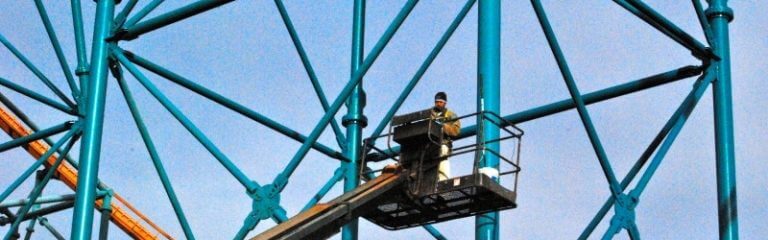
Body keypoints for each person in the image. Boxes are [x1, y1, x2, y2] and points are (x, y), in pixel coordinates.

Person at [431, 92, 460, 181]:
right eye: (437, 102)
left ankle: (444, 181)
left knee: (443, 161)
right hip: (430, 143)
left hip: (443, 143)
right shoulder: (429, 114)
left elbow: (456, 131)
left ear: (445, 103)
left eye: (440, 102)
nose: (438, 104)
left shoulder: (450, 115)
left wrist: (443, 127)